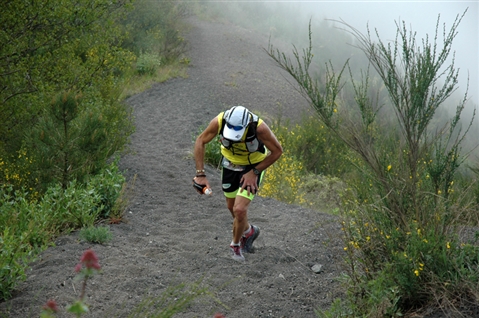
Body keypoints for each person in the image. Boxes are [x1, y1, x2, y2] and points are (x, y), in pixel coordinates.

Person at [194, 106, 283, 262]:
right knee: (232, 208)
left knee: (240, 210)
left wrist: (254, 172)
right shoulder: (219, 122)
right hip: (230, 165)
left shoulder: (260, 128)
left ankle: (235, 246)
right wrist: (200, 174)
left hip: (253, 167)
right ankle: (249, 231)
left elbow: (277, 151)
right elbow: (201, 140)